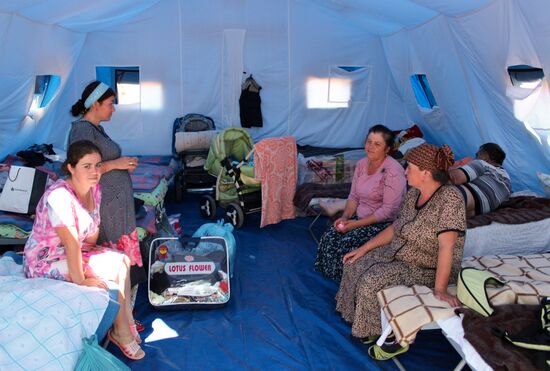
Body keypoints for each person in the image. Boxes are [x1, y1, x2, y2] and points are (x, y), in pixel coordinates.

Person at [335, 143, 466, 361]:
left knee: (372, 279)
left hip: (427, 267)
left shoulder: (450, 199)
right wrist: (363, 249)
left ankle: (379, 332)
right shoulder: (414, 193)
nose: (405, 171)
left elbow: (447, 247)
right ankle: (362, 321)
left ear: (425, 173)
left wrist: (441, 289)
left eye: (410, 167)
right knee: (354, 263)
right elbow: (395, 228)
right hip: (401, 252)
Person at [23, 140, 145, 360]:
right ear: (71, 167)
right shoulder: (59, 196)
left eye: (98, 165)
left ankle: (126, 322)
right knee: (111, 268)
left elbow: (90, 237)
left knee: (122, 260)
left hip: (73, 249)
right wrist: (81, 280)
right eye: (86, 166)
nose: (95, 171)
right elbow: (71, 244)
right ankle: (120, 331)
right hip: (45, 259)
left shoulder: (94, 189)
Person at [68, 81, 144, 286]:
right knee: (111, 251)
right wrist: (116, 163)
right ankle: (115, 293)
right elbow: (83, 170)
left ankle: (126, 290)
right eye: (110, 103)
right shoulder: (83, 131)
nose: (113, 108)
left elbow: (101, 161)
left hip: (115, 202)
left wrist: (122, 165)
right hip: (105, 204)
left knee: (121, 249)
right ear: (95, 104)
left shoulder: (96, 129)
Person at [315, 124, 407, 281]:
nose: (370, 147)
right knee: (329, 237)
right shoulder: (362, 164)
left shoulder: (394, 171)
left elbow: (388, 211)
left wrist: (355, 224)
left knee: (348, 243)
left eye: (377, 144)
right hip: (360, 218)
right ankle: (329, 278)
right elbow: (354, 196)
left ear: (387, 149)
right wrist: (345, 217)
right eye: (369, 141)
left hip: (383, 224)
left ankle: (344, 283)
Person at [449, 142, 512, 217]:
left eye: (477, 155)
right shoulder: (508, 182)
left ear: (486, 156)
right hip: (479, 210)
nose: (475, 158)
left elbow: (455, 178)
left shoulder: (483, 164)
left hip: (463, 196)